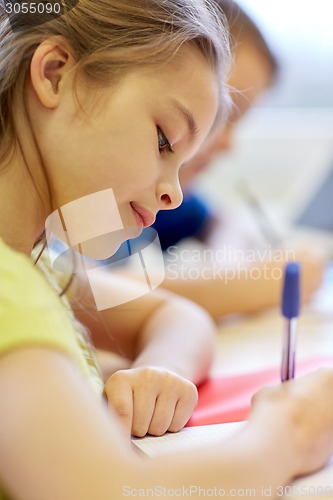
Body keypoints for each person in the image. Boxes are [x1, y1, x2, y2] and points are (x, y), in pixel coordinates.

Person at [1, 1, 333, 499]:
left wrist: (160, 368)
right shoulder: (10, 285)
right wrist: (290, 434)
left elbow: (175, 314)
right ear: (54, 74)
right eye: (162, 140)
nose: (175, 194)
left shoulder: (44, 267)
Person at [132, 0, 324, 321]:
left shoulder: (168, 197)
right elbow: (95, 296)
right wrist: (263, 282)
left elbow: (216, 220)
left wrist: (226, 261)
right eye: (226, 113)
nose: (228, 143)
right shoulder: (116, 192)